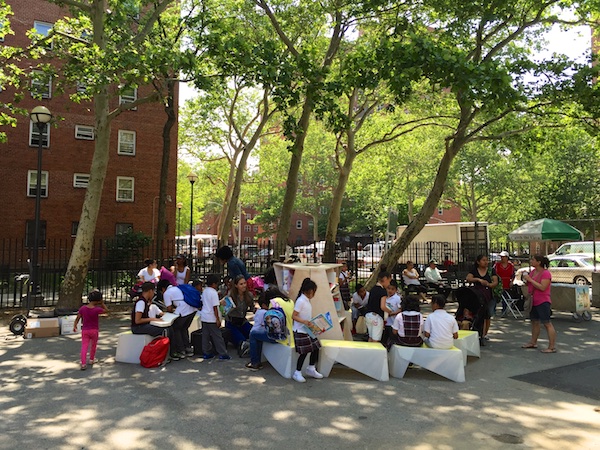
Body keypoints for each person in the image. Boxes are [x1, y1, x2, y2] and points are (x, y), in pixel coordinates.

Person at [521, 255, 557, 353]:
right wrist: (525, 280)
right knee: (535, 322)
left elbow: (542, 287)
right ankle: (533, 342)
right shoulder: (533, 272)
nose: (531, 261)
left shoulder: (546, 273)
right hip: (533, 300)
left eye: (533, 260)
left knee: (547, 323)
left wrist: (530, 280)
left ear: (539, 262)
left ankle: (551, 346)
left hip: (543, 301)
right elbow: (530, 284)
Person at [291, 278, 323, 382]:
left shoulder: (306, 300)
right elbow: (294, 316)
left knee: (316, 347)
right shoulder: (301, 301)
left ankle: (311, 368)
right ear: (309, 290)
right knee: (304, 352)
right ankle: (297, 372)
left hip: (308, 329)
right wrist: (304, 321)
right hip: (300, 330)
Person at [157, 279, 197, 360]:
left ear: (163, 289)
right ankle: (188, 348)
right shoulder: (178, 288)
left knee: (176, 329)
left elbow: (169, 309)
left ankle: (181, 350)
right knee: (184, 328)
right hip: (193, 310)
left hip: (183, 311)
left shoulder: (167, 293)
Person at [466, 254, 499, 341]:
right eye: (483, 260)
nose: (486, 262)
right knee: (478, 313)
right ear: (478, 262)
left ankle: (485, 334)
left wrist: (488, 284)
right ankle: (477, 331)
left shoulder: (491, 270)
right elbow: (469, 278)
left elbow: (495, 282)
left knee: (488, 314)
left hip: (488, 295)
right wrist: (478, 280)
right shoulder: (474, 270)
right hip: (477, 295)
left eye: (486, 260)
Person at [245, 290, 281, 370]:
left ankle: (255, 362)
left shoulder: (261, 312)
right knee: (257, 337)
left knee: (253, 335)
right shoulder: (268, 312)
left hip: (271, 334)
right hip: (278, 334)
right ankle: (257, 361)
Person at [73, 290, 108, 370]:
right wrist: (102, 303)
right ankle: (91, 359)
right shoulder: (97, 309)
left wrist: (75, 326)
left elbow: (78, 318)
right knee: (93, 345)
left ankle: (83, 363)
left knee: (84, 346)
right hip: (94, 330)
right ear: (98, 300)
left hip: (85, 330)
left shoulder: (83, 308)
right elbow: (106, 311)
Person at [200, 274, 231, 360]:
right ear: (214, 284)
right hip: (211, 317)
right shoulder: (213, 293)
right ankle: (223, 353)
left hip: (204, 316)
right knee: (217, 336)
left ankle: (206, 352)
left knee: (205, 336)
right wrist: (217, 319)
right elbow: (215, 307)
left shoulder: (205, 291)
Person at [225, 274, 254, 350]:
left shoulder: (249, 295)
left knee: (253, 334)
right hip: (232, 323)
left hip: (243, 322)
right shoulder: (231, 295)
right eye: (241, 284)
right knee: (242, 341)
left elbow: (252, 308)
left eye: (245, 283)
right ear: (236, 285)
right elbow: (225, 310)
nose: (244, 285)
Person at [365, 268, 391, 343]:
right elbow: (382, 306)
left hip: (368, 315)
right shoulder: (382, 291)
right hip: (377, 317)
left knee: (370, 337)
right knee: (376, 339)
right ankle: (375, 353)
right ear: (385, 279)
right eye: (389, 281)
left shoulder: (373, 289)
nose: (389, 284)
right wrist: (389, 311)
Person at [381, 279, 402, 344]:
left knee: (392, 339)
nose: (390, 291)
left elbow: (400, 309)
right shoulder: (384, 297)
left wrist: (392, 313)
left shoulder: (397, 298)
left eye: (392, 289)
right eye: (388, 288)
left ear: (396, 290)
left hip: (393, 323)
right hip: (384, 322)